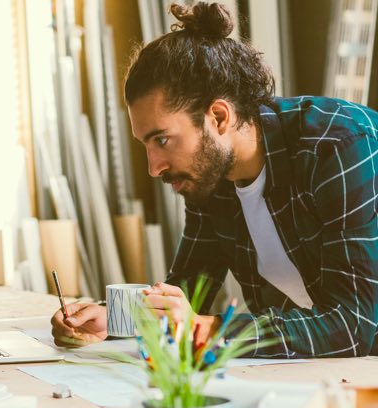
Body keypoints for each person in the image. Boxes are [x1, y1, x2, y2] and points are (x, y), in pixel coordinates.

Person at [51, 1, 378, 358]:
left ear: (219, 118)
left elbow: (353, 325)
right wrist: (121, 318)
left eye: (162, 140)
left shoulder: (338, 146)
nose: (154, 167)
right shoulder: (211, 177)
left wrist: (207, 329)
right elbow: (189, 290)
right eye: (146, 144)